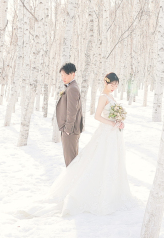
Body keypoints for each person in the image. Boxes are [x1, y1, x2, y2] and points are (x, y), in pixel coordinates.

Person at [45, 72, 136, 216]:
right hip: (105, 134)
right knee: (99, 160)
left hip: (113, 135)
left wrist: (119, 121)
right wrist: (112, 122)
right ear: (105, 82)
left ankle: (112, 192)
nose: (114, 87)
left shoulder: (111, 97)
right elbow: (97, 116)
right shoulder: (103, 97)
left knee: (112, 161)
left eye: (116, 85)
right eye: (112, 84)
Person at [55, 62, 83, 166]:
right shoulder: (71, 87)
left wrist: (67, 129)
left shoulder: (73, 89)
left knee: (70, 161)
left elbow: (72, 111)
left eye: (66, 74)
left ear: (73, 74)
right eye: (62, 75)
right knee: (71, 159)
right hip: (70, 130)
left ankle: (73, 181)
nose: (63, 77)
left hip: (70, 131)